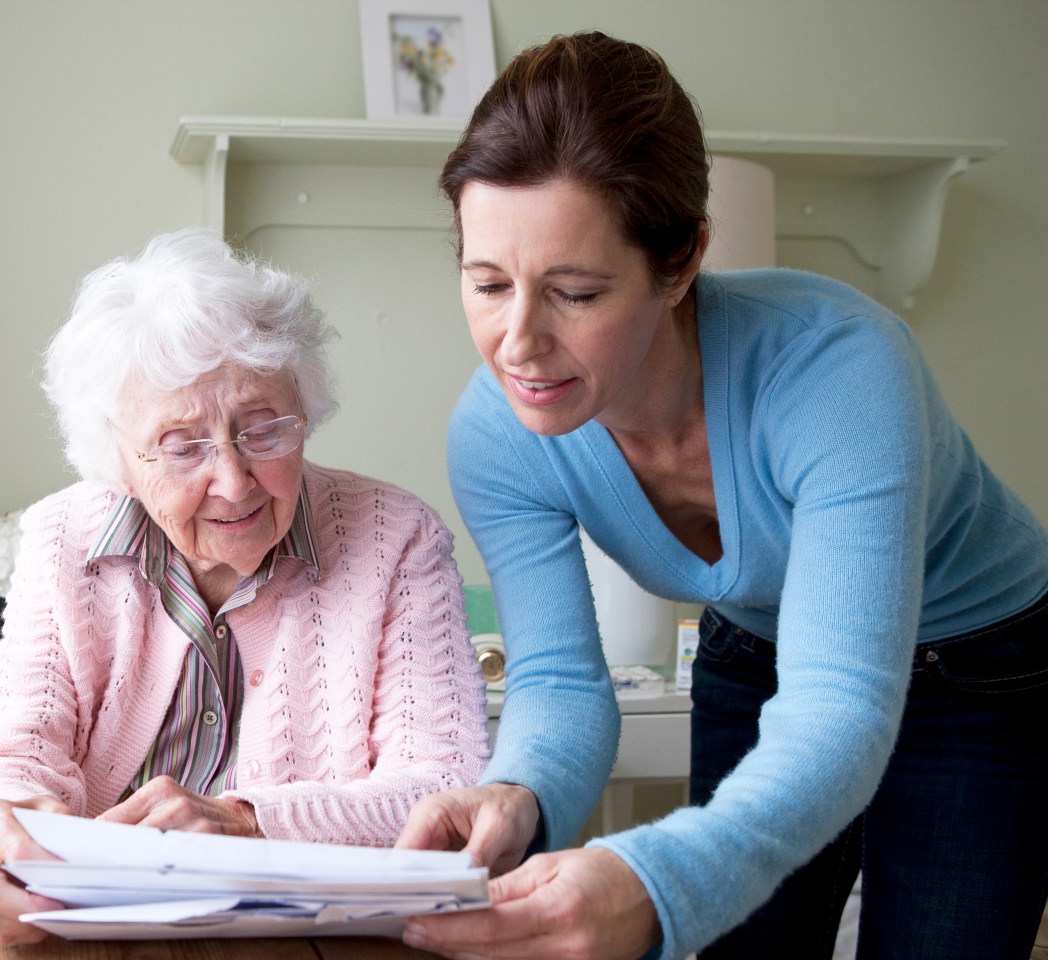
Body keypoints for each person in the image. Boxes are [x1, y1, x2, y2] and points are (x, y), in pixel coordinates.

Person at [395, 30, 1048, 960]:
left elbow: (840, 708)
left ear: (683, 260)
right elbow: (556, 682)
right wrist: (523, 790)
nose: (518, 342)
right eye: (488, 282)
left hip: (983, 666)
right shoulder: (497, 435)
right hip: (757, 646)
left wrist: (657, 882)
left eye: (574, 292)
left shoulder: (839, 372)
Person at [0, 228, 489, 944]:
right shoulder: (62, 540)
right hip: (74, 936)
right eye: (181, 445)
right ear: (120, 460)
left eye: (263, 430)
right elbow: (7, 751)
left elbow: (442, 791)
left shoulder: (398, 539)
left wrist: (244, 823)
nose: (232, 481)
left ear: (306, 414)